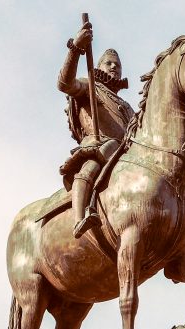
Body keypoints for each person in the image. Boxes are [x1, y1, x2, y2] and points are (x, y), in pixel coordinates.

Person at [58, 19, 135, 238]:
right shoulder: (89, 86)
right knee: (93, 164)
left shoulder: (127, 107)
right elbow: (65, 83)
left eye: (117, 65)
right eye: (109, 63)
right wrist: (76, 48)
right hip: (98, 147)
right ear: (99, 67)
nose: (114, 67)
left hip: (125, 157)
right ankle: (79, 218)